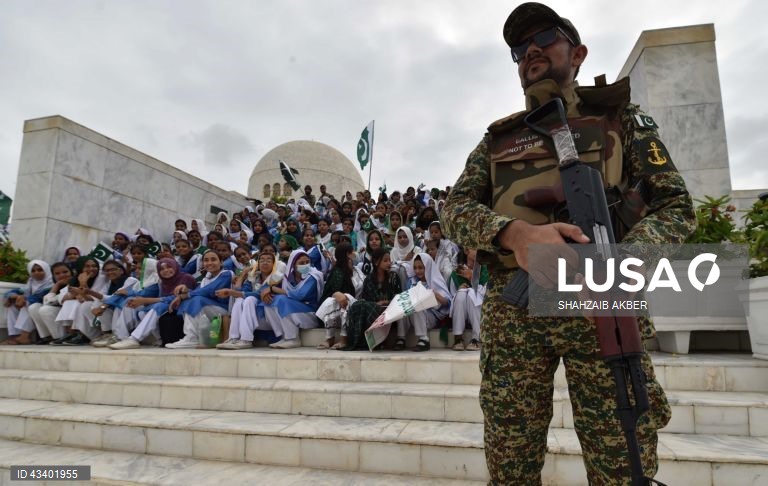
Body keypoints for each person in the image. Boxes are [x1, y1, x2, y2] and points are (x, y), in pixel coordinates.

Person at [440, 3, 695, 484]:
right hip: (516, 312)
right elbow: (453, 209)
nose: (529, 50)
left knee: (622, 460)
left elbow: (676, 206)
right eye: (518, 48)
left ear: (576, 53)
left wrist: (621, 261)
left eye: (543, 37)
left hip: (602, 305)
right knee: (510, 463)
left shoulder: (623, 123)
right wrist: (513, 234)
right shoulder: (499, 140)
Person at [262, 249, 323, 349]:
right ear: (293, 264)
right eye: (301, 263)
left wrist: (273, 289)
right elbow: (267, 287)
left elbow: (300, 295)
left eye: (307, 262)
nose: (305, 265)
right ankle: (284, 336)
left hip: (311, 313)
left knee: (282, 300)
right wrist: (268, 291)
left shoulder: (313, 276)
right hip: (296, 309)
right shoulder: (288, 277)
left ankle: (293, 339)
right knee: (270, 300)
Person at [343, 247, 401, 350]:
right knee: (359, 306)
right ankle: (362, 341)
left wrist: (385, 302)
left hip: (390, 311)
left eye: (389, 260)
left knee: (372, 307)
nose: (389, 263)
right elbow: (366, 300)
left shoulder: (393, 277)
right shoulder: (369, 279)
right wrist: (376, 304)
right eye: (385, 260)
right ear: (376, 262)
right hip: (372, 311)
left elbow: (398, 298)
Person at [394, 253, 450, 352]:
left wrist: (434, 294)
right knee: (404, 305)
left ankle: (423, 339)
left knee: (417, 306)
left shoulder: (435, 281)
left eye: (421, 268)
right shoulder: (411, 282)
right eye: (415, 268)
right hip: (414, 317)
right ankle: (401, 338)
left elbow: (446, 303)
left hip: (431, 317)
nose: (417, 271)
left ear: (427, 267)